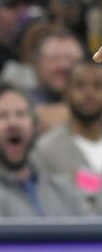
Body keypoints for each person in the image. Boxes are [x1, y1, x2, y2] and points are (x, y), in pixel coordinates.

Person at [0, 82, 92, 217]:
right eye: (1, 116)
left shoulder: (62, 190)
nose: (13, 123)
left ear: (35, 127)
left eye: (21, 114)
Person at [33, 61, 102, 212]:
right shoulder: (45, 150)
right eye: (80, 86)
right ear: (66, 93)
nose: (89, 93)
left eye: (98, 86)